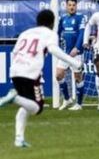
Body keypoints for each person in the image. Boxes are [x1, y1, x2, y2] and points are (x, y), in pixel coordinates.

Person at [0, 10, 81, 147]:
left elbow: (15, 52)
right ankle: (14, 98)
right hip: (30, 72)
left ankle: (19, 138)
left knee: (26, 104)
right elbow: (54, 50)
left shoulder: (26, 33)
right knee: (37, 107)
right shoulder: (50, 34)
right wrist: (74, 62)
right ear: (52, 23)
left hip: (15, 70)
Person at [56, 0, 87, 110]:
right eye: (69, 5)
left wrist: (77, 48)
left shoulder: (81, 18)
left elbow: (82, 33)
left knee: (77, 77)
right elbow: (58, 33)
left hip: (76, 53)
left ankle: (79, 104)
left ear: (76, 6)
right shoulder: (62, 18)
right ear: (66, 6)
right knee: (58, 75)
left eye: (74, 5)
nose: (72, 7)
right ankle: (67, 99)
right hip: (64, 53)